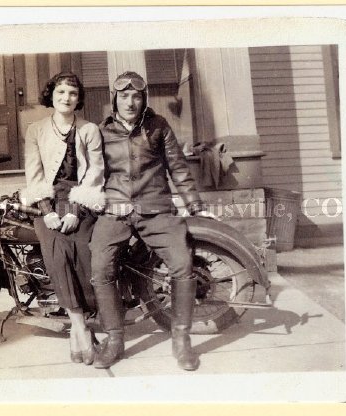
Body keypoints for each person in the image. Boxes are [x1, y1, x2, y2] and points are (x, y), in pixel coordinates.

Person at [90, 71, 216, 371]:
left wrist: (195, 206)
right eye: (124, 96)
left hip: (156, 208)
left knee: (183, 266)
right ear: (115, 99)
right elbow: (91, 173)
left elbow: (178, 168)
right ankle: (115, 340)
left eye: (136, 96)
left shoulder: (159, 126)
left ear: (143, 99)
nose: (130, 102)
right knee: (100, 268)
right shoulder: (101, 130)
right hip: (115, 210)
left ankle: (181, 341)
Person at [22, 72, 106, 365]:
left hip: (81, 201)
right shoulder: (36, 130)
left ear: (78, 98)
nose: (66, 98)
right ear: (52, 96)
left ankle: (77, 330)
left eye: (72, 93)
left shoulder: (90, 130)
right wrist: (47, 213)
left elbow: (95, 173)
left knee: (82, 255)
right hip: (47, 203)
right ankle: (81, 329)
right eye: (60, 92)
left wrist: (75, 210)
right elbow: (33, 176)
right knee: (58, 257)